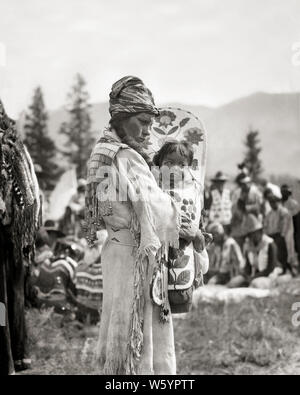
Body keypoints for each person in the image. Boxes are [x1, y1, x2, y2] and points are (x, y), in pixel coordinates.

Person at [84, 76, 198, 375]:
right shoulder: (126, 156)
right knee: (142, 332)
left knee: (117, 324)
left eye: (150, 122)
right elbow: (158, 211)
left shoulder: (101, 151)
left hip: (117, 250)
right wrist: (186, 219)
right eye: (143, 121)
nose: (148, 129)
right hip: (137, 257)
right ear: (122, 118)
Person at [0, 99, 40, 375]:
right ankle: (16, 356)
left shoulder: (4, 149)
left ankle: (5, 358)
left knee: (1, 301)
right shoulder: (16, 146)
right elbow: (32, 197)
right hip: (16, 237)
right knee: (10, 299)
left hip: (4, 235)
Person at [152, 140, 210, 313]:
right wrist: (191, 232)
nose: (175, 168)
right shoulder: (154, 189)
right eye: (169, 163)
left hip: (184, 253)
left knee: (179, 298)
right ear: (159, 164)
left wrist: (200, 235)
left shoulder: (194, 191)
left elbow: (198, 220)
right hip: (158, 252)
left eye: (181, 164)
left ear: (188, 167)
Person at [228, 215, 278, 288]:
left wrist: (254, 277)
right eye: (250, 234)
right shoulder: (249, 246)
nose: (252, 237)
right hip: (253, 275)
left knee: (255, 284)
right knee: (234, 283)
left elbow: (270, 268)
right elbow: (248, 267)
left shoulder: (270, 244)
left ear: (260, 232)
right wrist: (245, 276)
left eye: (254, 233)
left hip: (268, 275)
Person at [264, 188, 296, 274]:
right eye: (270, 202)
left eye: (273, 202)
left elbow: (285, 225)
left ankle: (289, 270)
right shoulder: (269, 214)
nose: (272, 204)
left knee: (284, 255)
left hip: (281, 236)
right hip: (272, 236)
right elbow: (266, 226)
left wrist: (282, 235)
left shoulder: (283, 211)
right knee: (276, 255)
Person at [231, 175, 263, 250]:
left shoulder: (255, 192)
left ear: (249, 183)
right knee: (240, 244)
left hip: (254, 223)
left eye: (246, 183)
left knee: (254, 245)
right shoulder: (238, 193)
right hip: (241, 223)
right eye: (242, 184)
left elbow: (259, 206)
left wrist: (247, 208)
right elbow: (234, 207)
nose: (244, 185)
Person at [281, 184, 300, 264]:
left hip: (294, 229)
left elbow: (294, 216)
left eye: (286, 192)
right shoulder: (281, 203)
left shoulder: (293, 203)